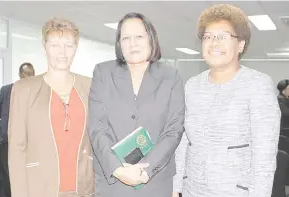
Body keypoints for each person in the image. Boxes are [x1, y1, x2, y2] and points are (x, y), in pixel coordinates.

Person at [173, 4, 281, 197]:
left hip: (236, 192)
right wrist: (176, 186)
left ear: (240, 44)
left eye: (223, 36)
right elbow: (183, 141)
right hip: (192, 190)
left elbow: (264, 158)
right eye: (208, 36)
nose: (214, 43)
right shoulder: (192, 85)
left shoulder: (258, 85)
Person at [88, 12, 185, 197]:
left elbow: (174, 130)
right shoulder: (103, 73)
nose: (132, 43)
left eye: (139, 36)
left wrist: (144, 170)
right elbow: (97, 127)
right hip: (113, 182)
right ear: (119, 43)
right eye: (126, 38)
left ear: (151, 39)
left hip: (155, 180)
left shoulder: (171, 77)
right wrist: (118, 169)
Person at [8, 17, 94, 197]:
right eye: (55, 45)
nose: (62, 52)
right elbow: (17, 149)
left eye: (69, 45)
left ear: (76, 48)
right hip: (39, 188)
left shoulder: (90, 87)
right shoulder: (24, 89)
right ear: (44, 46)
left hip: (83, 188)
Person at [0, 62, 35, 197]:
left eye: (31, 75)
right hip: (6, 144)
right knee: (6, 181)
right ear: (20, 75)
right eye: (26, 75)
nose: (28, 78)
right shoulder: (5, 90)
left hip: (26, 146)